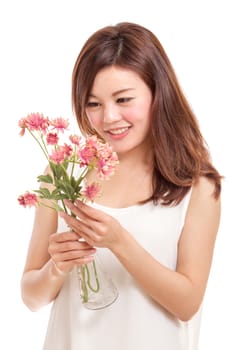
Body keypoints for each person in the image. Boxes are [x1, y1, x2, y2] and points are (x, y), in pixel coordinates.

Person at [21, 22, 222, 350]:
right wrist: (56, 267)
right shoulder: (64, 174)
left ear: (159, 93)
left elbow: (188, 303)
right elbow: (30, 296)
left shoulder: (195, 186)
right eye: (93, 103)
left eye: (124, 99)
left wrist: (119, 242)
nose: (109, 117)